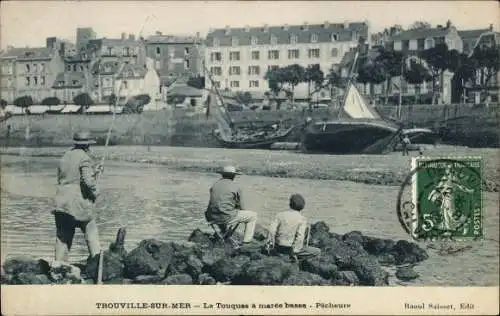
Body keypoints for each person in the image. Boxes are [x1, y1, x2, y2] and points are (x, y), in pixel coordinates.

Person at [53, 131, 104, 263]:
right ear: (87, 145)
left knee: (63, 237)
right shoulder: (85, 158)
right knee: (91, 230)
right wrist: (95, 191)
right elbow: (88, 182)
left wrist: (94, 172)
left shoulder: (65, 156)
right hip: (77, 203)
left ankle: (58, 267)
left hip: (61, 202)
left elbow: (68, 177)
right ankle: (97, 263)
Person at [205, 165, 257, 245]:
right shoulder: (235, 187)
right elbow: (242, 207)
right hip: (225, 217)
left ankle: (223, 234)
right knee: (253, 216)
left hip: (210, 216)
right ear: (233, 176)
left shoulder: (214, 185)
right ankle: (247, 242)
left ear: (222, 175)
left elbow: (216, 202)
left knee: (224, 211)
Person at [266, 194, 320, 261]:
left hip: (278, 246)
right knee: (317, 251)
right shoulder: (302, 219)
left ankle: (280, 255)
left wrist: (271, 245)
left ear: (290, 204)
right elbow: (300, 236)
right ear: (303, 206)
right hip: (290, 249)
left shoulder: (280, 215)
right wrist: (295, 251)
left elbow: (271, 230)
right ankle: (297, 260)